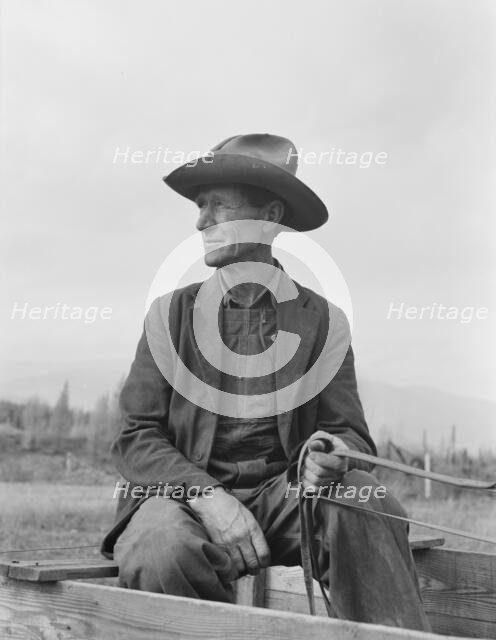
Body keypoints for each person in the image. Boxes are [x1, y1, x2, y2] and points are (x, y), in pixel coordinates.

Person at [101, 134, 430, 631]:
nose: (200, 221)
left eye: (216, 206)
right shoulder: (169, 316)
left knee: (368, 502)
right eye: (199, 206)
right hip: (184, 503)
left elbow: (353, 437)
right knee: (161, 547)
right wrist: (210, 498)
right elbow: (135, 437)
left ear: (270, 216)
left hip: (288, 501)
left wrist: (332, 453)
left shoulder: (321, 320)